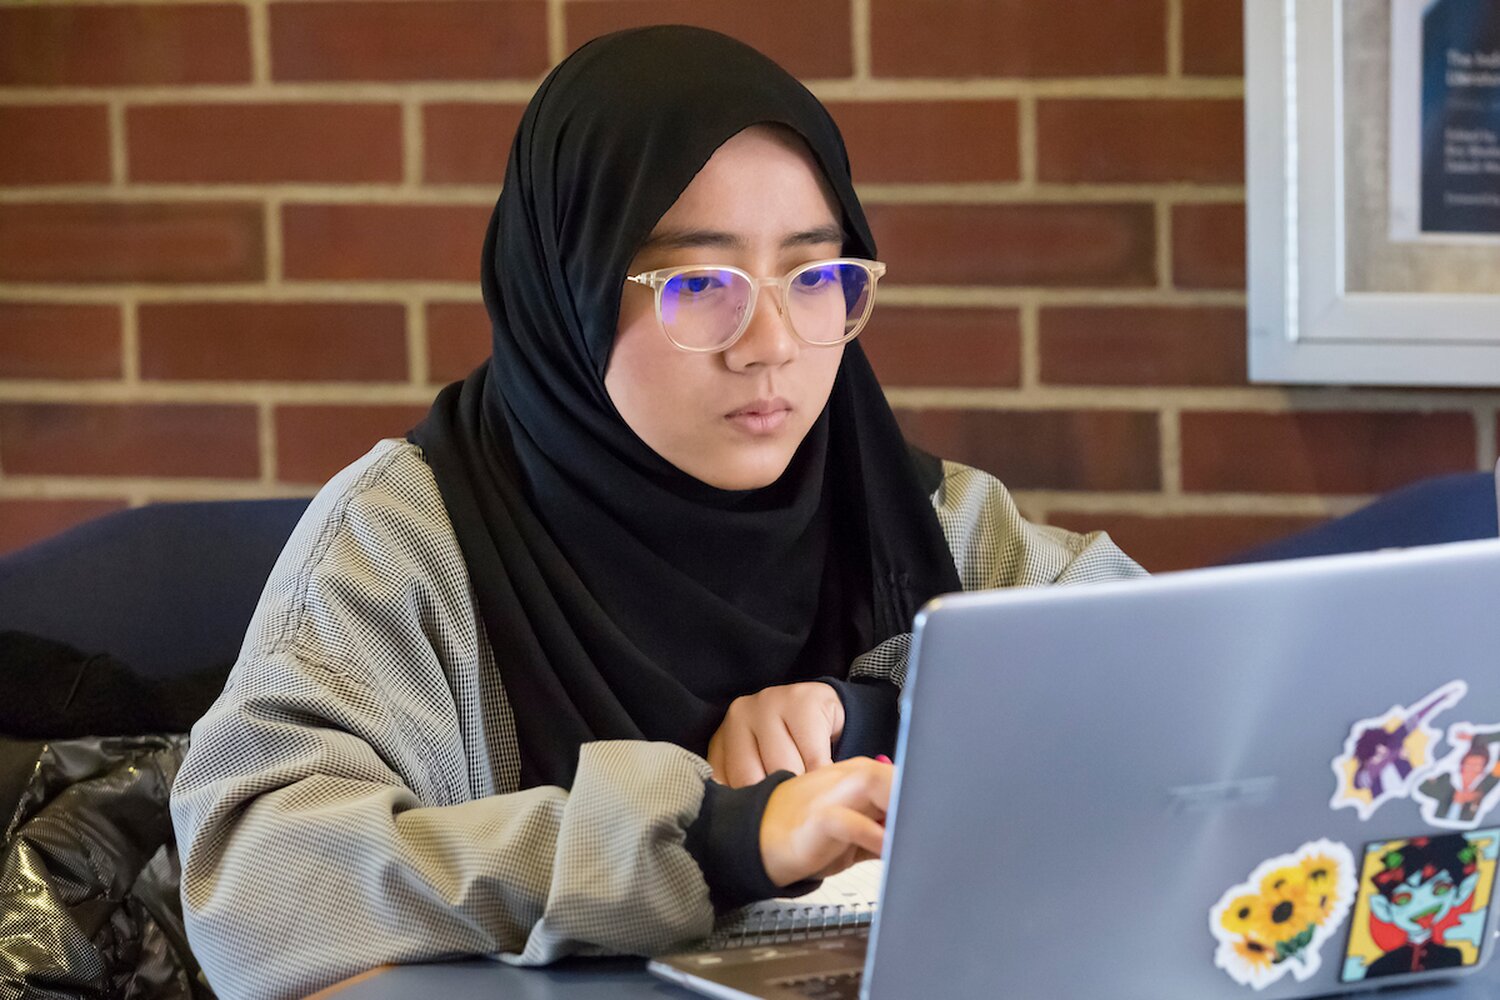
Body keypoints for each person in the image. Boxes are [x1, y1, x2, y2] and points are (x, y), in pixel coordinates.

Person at [170, 25, 1143, 1000]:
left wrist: (882, 717)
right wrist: (712, 840)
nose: (770, 344)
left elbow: (1191, 721)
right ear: (571, 291)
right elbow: (264, 889)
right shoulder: (403, 545)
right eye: (699, 284)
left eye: (813, 275)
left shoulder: (924, 521)